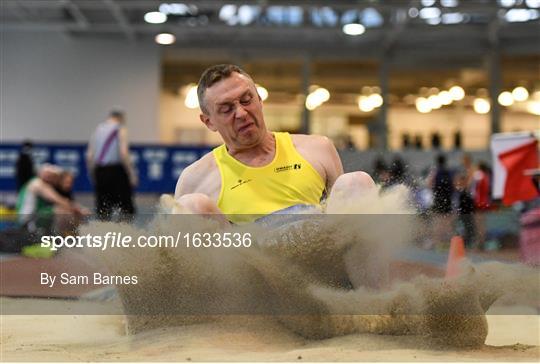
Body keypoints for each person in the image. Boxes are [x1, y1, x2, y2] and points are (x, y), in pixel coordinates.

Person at [171, 64, 380, 288]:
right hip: (257, 282)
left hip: (322, 264)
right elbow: (178, 259)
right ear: (209, 121)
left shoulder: (317, 148)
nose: (241, 113)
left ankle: (375, 304)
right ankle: (220, 317)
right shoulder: (197, 178)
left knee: (356, 182)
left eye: (246, 99)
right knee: (191, 205)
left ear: (259, 99)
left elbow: (345, 224)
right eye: (226, 108)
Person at [86, 110, 137, 220]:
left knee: (103, 208)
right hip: (117, 171)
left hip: (100, 171)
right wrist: (131, 174)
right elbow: (124, 153)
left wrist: (92, 173)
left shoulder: (98, 130)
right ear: (121, 118)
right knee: (126, 208)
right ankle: (124, 234)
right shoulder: (120, 129)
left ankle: (104, 234)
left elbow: (89, 156)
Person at [16, 164, 87, 231]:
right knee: (62, 211)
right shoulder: (37, 184)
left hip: (33, 217)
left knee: (66, 210)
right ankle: (59, 239)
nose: (51, 179)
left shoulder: (41, 184)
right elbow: (59, 200)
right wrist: (80, 210)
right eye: (49, 176)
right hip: (28, 221)